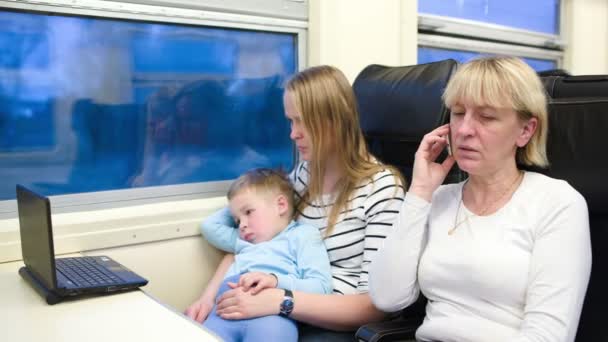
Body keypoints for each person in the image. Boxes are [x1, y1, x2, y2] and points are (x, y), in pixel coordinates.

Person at [369, 56, 592, 342]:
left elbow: (547, 337)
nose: (464, 130)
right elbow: (387, 297)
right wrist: (420, 192)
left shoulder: (557, 203)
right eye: (458, 113)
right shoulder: (438, 198)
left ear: (525, 130)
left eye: (486, 117)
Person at [188, 65, 406, 341]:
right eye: (291, 122)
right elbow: (250, 244)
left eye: (301, 121)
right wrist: (207, 299)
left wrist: (280, 300)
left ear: (333, 120)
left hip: (333, 323)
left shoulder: (382, 189)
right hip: (284, 307)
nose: (293, 134)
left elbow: (373, 307)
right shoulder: (304, 175)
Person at [187, 167, 333, 341]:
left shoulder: (303, 235)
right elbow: (209, 227)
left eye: (249, 212)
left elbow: (322, 287)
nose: (241, 225)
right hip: (224, 310)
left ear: (281, 205)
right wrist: (239, 206)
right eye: (237, 220)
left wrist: (276, 281)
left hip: (272, 315)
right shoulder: (243, 240)